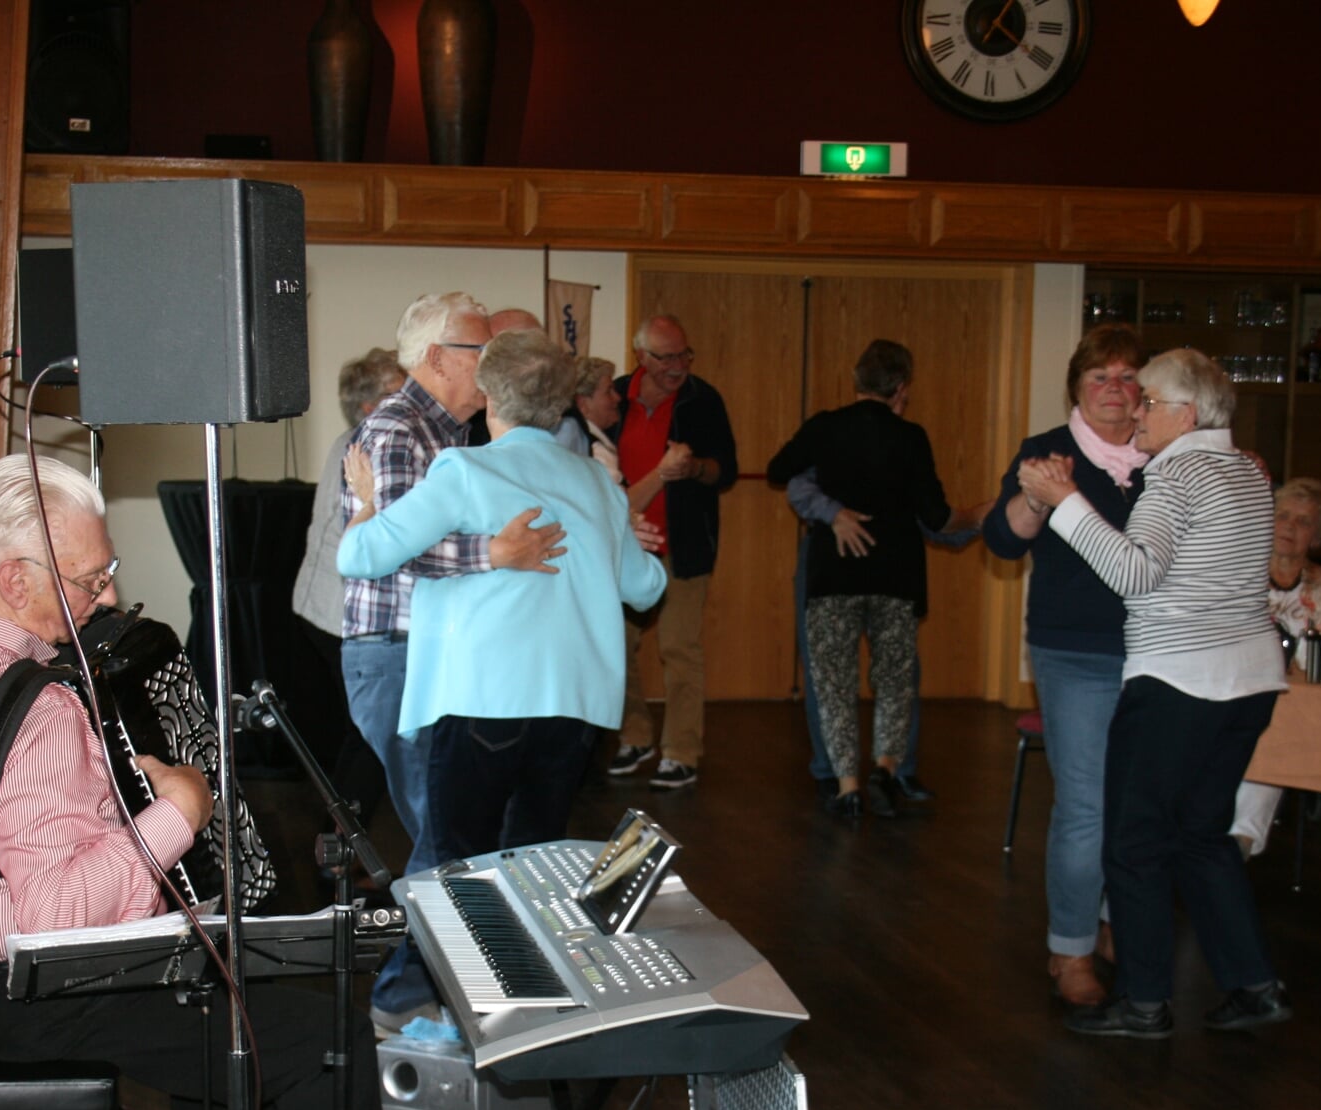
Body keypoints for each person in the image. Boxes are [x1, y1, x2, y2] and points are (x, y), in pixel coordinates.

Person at [0, 454, 381, 1110]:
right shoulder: (38, 709)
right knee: (329, 1035)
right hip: (26, 1001)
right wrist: (179, 814)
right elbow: (56, 919)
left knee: (222, 988)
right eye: (90, 579)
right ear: (15, 579)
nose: (107, 598)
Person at [1019, 347, 1290, 1038]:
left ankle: (1143, 1002)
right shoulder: (1247, 473)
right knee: (1202, 835)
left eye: (1148, 400)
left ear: (1186, 413)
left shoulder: (1173, 475)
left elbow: (1134, 575)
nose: (1134, 410)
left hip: (1179, 681)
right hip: (1250, 681)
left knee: (1134, 843)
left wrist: (1065, 503)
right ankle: (1254, 985)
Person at [337, 330, 667, 864]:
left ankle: (447, 953)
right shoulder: (597, 483)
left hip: (481, 701)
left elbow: (359, 557)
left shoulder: (466, 471)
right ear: (561, 402)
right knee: (535, 867)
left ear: (488, 393)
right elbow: (646, 587)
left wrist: (368, 503)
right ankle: (522, 951)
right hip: (572, 711)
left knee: (458, 869)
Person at [339, 292, 565, 1033]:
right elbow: (391, 550)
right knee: (446, 836)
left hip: (428, 657)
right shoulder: (401, 428)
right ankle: (410, 995)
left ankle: (441, 989)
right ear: (438, 358)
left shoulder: (452, 435)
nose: (489, 367)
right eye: (478, 352)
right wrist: (492, 551)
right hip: (400, 657)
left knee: (452, 833)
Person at [979, 323, 1147, 1008]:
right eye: (1099, 376)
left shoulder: (1165, 454)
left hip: (1158, 652)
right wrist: (1034, 498)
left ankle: (1113, 923)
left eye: (1127, 375)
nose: (1113, 388)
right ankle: (1068, 948)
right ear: (1076, 387)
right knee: (1084, 806)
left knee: (1136, 805)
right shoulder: (1048, 451)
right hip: (1075, 650)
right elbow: (1001, 539)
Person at [766, 340, 957, 818]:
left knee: (833, 683)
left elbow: (778, 470)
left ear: (856, 381)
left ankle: (847, 787)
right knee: (894, 679)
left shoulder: (825, 429)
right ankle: (887, 767)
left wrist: (832, 507)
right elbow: (934, 513)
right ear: (901, 387)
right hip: (896, 572)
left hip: (834, 572)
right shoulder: (912, 437)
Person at [784, 464, 986, 805]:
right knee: (828, 676)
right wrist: (835, 515)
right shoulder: (832, 440)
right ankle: (832, 774)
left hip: (891, 566)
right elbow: (797, 488)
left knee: (900, 673)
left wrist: (980, 520)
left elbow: (932, 520)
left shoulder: (903, 452)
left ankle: (896, 771)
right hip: (830, 569)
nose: (900, 407)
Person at [605, 314, 738, 790]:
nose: (678, 366)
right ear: (641, 356)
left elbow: (726, 471)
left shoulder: (703, 400)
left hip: (683, 547)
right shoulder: (614, 396)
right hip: (625, 545)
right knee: (616, 647)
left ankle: (681, 750)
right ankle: (635, 735)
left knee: (679, 648)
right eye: (667, 357)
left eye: (685, 355)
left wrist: (694, 467)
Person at [290, 347, 406, 831]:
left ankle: (337, 841)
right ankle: (341, 848)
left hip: (323, 609)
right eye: (395, 391)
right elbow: (376, 541)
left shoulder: (353, 439)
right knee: (373, 737)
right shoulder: (371, 446)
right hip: (343, 615)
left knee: (363, 734)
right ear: (368, 405)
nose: (408, 397)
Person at [1229, 476, 1321, 858]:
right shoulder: (1236, 572)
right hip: (1230, 689)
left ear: (1316, 535)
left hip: (1294, 701)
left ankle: (1241, 843)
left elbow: (1317, 668)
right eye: (1282, 516)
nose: (1289, 527)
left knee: (1272, 726)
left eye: (1302, 522)